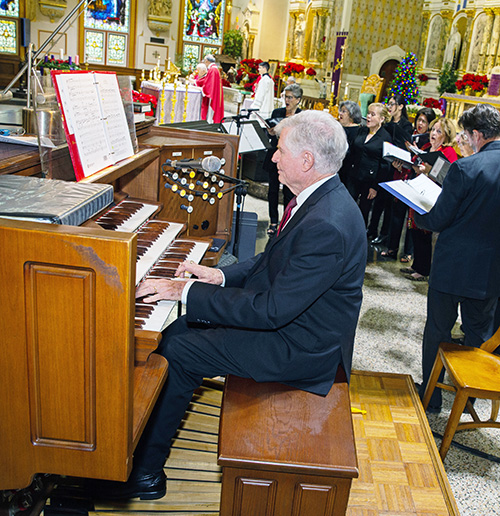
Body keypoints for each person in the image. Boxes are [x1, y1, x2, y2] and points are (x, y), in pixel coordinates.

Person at [95, 110, 367, 499]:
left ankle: (145, 473)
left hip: (300, 347)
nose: (273, 157)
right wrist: (220, 277)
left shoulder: (326, 222)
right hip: (294, 324)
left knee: (179, 349)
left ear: (307, 160)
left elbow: (271, 311)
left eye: (280, 150)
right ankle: (134, 444)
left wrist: (182, 292)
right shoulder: (321, 198)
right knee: (179, 330)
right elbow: (272, 259)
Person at [415, 103, 500, 411]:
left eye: (467, 134)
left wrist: (419, 213)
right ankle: (468, 400)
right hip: (491, 270)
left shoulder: (466, 167)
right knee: (478, 332)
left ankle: (431, 396)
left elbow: (438, 219)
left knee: (438, 329)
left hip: (453, 267)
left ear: (477, 134)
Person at [404, 118, 458, 282]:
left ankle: (424, 269)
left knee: (424, 233)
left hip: (432, 195)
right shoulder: (426, 147)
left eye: (438, 131)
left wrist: (428, 171)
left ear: (447, 135)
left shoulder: (449, 153)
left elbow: (448, 178)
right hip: (418, 191)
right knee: (414, 229)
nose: (433, 133)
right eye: (433, 130)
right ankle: (416, 264)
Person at [381, 107, 436, 262]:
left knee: (411, 221)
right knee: (396, 215)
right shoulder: (410, 136)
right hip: (404, 176)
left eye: (424, 121)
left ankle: (408, 252)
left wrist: (416, 152)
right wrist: (398, 163)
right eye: (419, 119)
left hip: (418, 180)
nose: (420, 123)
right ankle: (392, 248)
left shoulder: (427, 142)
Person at [368, 94, 413, 244]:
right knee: (378, 201)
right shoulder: (387, 123)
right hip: (384, 164)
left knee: (388, 203)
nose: (390, 107)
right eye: (389, 104)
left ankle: (384, 234)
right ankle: (371, 229)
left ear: (401, 107)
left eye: (393, 104)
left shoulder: (406, 125)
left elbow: (405, 145)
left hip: (396, 168)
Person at [263, 83, 302, 237]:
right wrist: (271, 132)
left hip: (291, 158)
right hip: (275, 155)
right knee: (272, 190)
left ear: (298, 100)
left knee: (288, 192)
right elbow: (270, 134)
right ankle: (273, 221)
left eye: (290, 97)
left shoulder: (301, 116)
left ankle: (286, 223)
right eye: (285, 96)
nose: (287, 100)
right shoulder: (277, 112)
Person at [344, 102, 392, 226]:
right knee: (348, 207)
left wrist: (375, 186)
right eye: (368, 113)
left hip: (369, 181)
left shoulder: (385, 137)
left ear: (382, 119)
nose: (368, 117)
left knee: (363, 211)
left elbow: (384, 165)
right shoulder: (362, 130)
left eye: (372, 114)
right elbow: (353, 152)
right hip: (353, 176)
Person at [337, 100, 362, 186]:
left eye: (344, 111)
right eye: (340, 111)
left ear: (352, 114)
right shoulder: (338, 127)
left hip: (346, 171)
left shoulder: (357, 131)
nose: (340, 113)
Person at [196, 54, 224, 123]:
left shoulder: (213, 69)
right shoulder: (214, 69)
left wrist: (203, 89)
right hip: (215, 94)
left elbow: (209, 85)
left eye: (205, 61)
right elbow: (208, 81)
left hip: (213, 96)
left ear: (207, 61)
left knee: (210, 114)